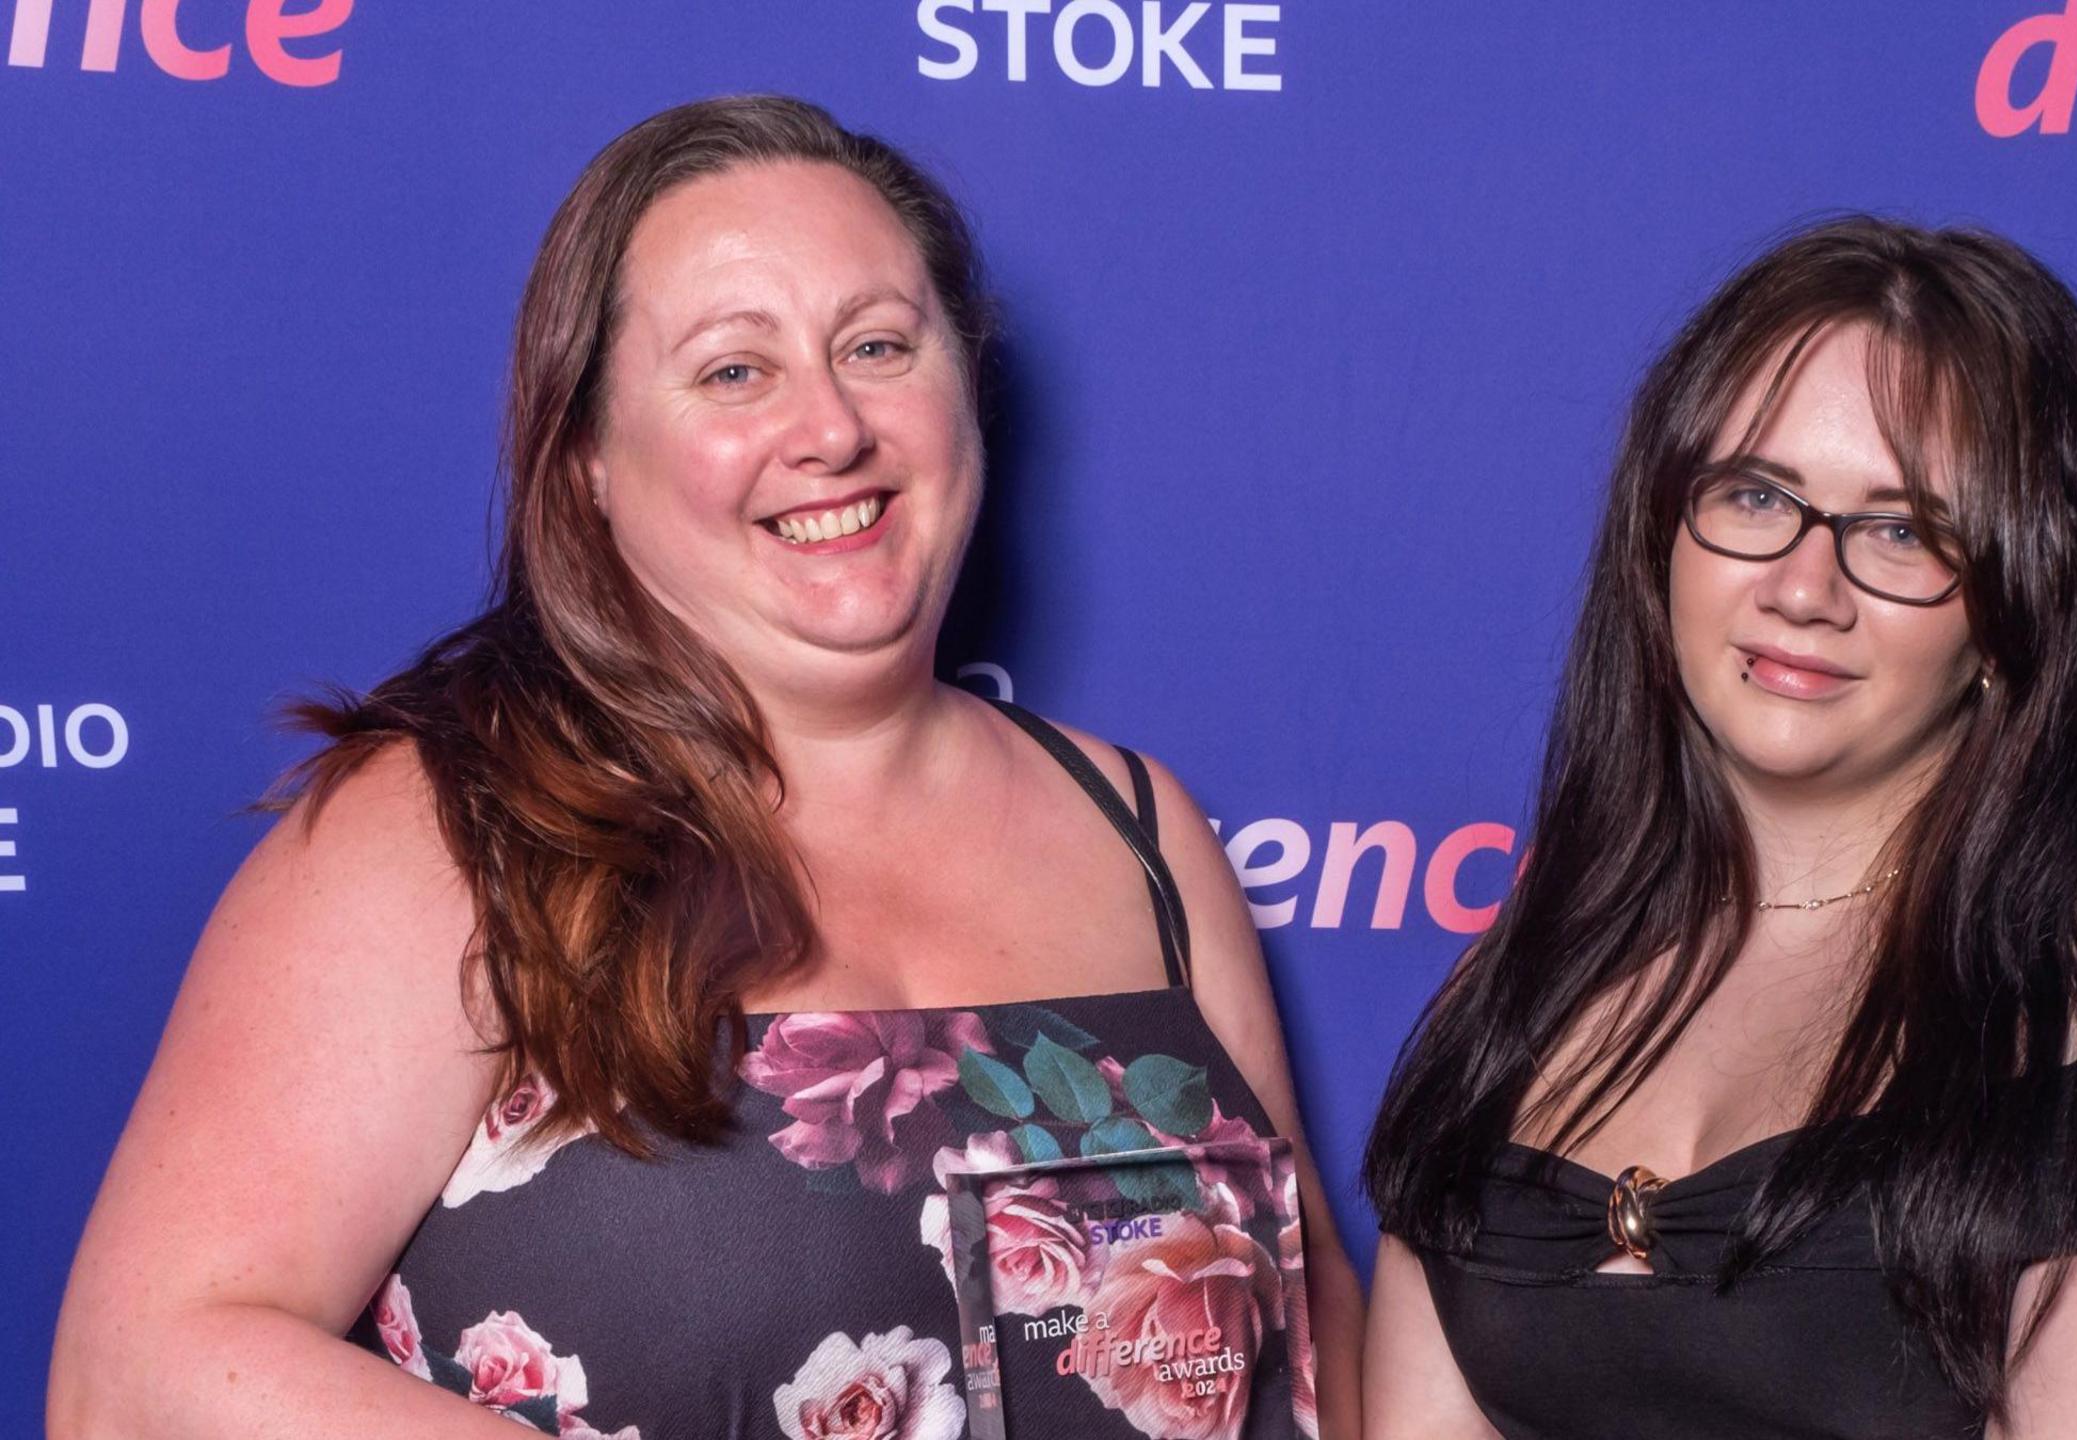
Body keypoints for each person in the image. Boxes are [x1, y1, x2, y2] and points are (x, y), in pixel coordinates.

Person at [50, 94, 1359, 1440]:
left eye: (879, 345)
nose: (832, 428)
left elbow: (1321, 1355)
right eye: (736, 371)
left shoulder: (1139, 833)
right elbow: (143, 1375)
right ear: (590, 461)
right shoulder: (447, 839)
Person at [1361, 217, 2077, 1439]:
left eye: (1902, 530)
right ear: (1661, 538)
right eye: (1755, 496)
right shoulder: (1516, 980)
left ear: (2019, 599)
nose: (1803, 587)